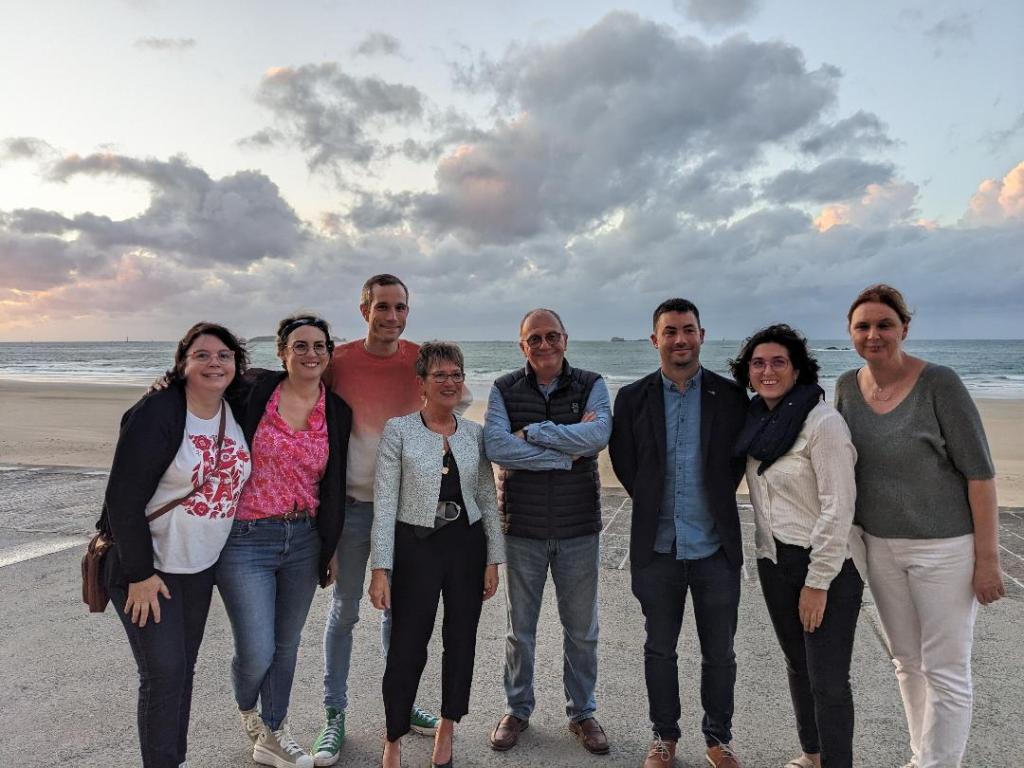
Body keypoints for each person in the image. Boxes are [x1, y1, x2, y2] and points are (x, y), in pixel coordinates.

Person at [835, 284, 1005, 768]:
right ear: (850, 333)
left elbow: (981, 476)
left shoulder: (940, 385)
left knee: (946, 669)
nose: (873, 334)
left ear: (904, 329)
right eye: (863, 326)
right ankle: (921, 758)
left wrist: (987, 561)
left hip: (945, 549)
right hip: (879, 547)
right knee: (907, 663)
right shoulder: (847, 387)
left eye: (884, 325)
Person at [314, 275, 470, 765]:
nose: (392, 316)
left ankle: (399, 709)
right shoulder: (338, 361)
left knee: (400, 618)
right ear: (365, 310)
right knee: (345, 611)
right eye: (382, 306)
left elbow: (455, 408)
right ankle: (334, 714)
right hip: (352, 509)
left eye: (400, 307)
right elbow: (301, 404)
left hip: (408, 513)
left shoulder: (421, 359)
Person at [101, 322, 252, 768]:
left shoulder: (234, 408)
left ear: (236, 364)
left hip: (199, 567)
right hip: (149, 570)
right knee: (163, 675)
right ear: (183, 363)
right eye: (201, 355)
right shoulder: (159, 411)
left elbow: (289, 375)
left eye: (224, 355)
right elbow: (122, 499)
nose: (214, 363)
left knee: (182, 671)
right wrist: (140, 575)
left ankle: (174, 760)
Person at [608, 298, 748, 768]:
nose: (680, 339)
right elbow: (625, 461)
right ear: (655, 340)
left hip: (715, 548)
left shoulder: (731, 397)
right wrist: (653, 500)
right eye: (670, 331)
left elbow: (734, 464)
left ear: (701, 336)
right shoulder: (632, 398)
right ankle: (664, 736)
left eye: (688, 330)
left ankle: (718, 739)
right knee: (659, 649)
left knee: (720, 653)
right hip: (658, 547)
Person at [216, 314, 351, 768]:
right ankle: (248, 708)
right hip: (246, 537)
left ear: (329, 353)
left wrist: (330, 546)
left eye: (319, 346)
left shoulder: (337, 410)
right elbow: (199, 392)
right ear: (282, 353)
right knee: (257, 649)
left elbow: (333, 485)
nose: (311, 354)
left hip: (305, 538)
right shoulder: (252, 390)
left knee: (287, 645)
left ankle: (274, 730)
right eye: (300, 346)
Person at [729, 325, 862, 768]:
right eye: (758, 363)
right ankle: (813, 755)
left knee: (829, 680)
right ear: (748, 373)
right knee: (798, 665)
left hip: (826, 565)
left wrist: (818, 581)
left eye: (778, 362)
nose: (767, 371)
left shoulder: (823, 423)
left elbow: (838, 508)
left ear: (798, 369)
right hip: (774, 559)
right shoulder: (756, 421)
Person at [368, 342, 505, 768]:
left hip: (466, 547)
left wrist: (493, 558)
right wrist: (380, 568)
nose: (449, 382)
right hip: (416, 547)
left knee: (461, 641)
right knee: (407, 645)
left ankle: (447, 728)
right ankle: (393, 736)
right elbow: (385, 503)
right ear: (422, 383)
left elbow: (487, 496)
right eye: (440, 375)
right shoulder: (399, 430)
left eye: (456, 374)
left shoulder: (474, 433)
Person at [483, 308, 613, 756]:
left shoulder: (592, 383)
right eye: (534, 338)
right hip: (523, 527)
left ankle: (583, 712)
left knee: (582, 629)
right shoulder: (503, 388)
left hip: (579, 526)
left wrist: (534, 432)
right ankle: (517, 709)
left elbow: (598, 436)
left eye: (551, 336)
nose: (544, 345)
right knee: (520, 630)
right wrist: (563, 454)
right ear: (523, 345)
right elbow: (498, 447)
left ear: (565, 339)